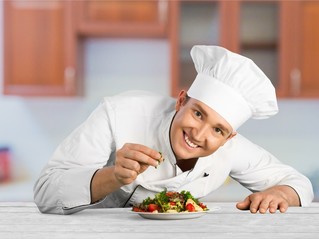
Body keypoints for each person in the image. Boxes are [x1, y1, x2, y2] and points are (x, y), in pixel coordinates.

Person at [34, 45, 314, 215]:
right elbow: (45, 193)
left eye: (218, 130)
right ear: (181, 100)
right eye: (197, 113)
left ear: (230, 137)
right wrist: (113, 176)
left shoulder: (232, 150)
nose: (199, 134)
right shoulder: (119, 113)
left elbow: (298, 184)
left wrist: (280, 195)